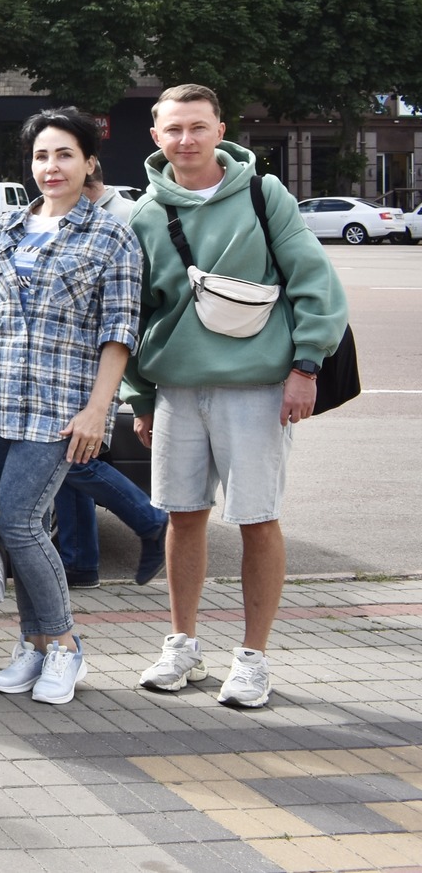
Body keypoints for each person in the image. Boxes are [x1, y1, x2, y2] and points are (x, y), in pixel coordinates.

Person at [124, 83, 348, 710]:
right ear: (156, 137)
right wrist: (141, 397)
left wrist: (306, 368)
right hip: (177, 390)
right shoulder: (144, 215)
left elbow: (314, 281)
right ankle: (182, 645)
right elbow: (137, 314)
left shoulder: (262, 194)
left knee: (257, 519)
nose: (186, 140)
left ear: (221, 130)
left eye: (198, 126)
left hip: (257, 388)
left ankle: (253, 658)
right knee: (182, 516)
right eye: (174, 129)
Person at [0, 109, 142, 706]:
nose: (51, 166)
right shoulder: (4, 230)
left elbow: (119, 330)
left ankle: (64, 644)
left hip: (61, 407)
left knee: (19, 520)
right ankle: (32, 644)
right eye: (41, 156)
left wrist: (97, 410)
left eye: (64, 154)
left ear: (89, 162)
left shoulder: (110, 235)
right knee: (12, 528)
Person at [53, 156, 169, 591]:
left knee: (62, 456)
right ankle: (80, 562)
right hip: (69, 359)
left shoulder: (124, 218)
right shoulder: (65, 215)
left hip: (96, 362)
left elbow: (130, 306)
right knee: (76, 455)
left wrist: (134, 392)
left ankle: (151, 521)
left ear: (87, 169)